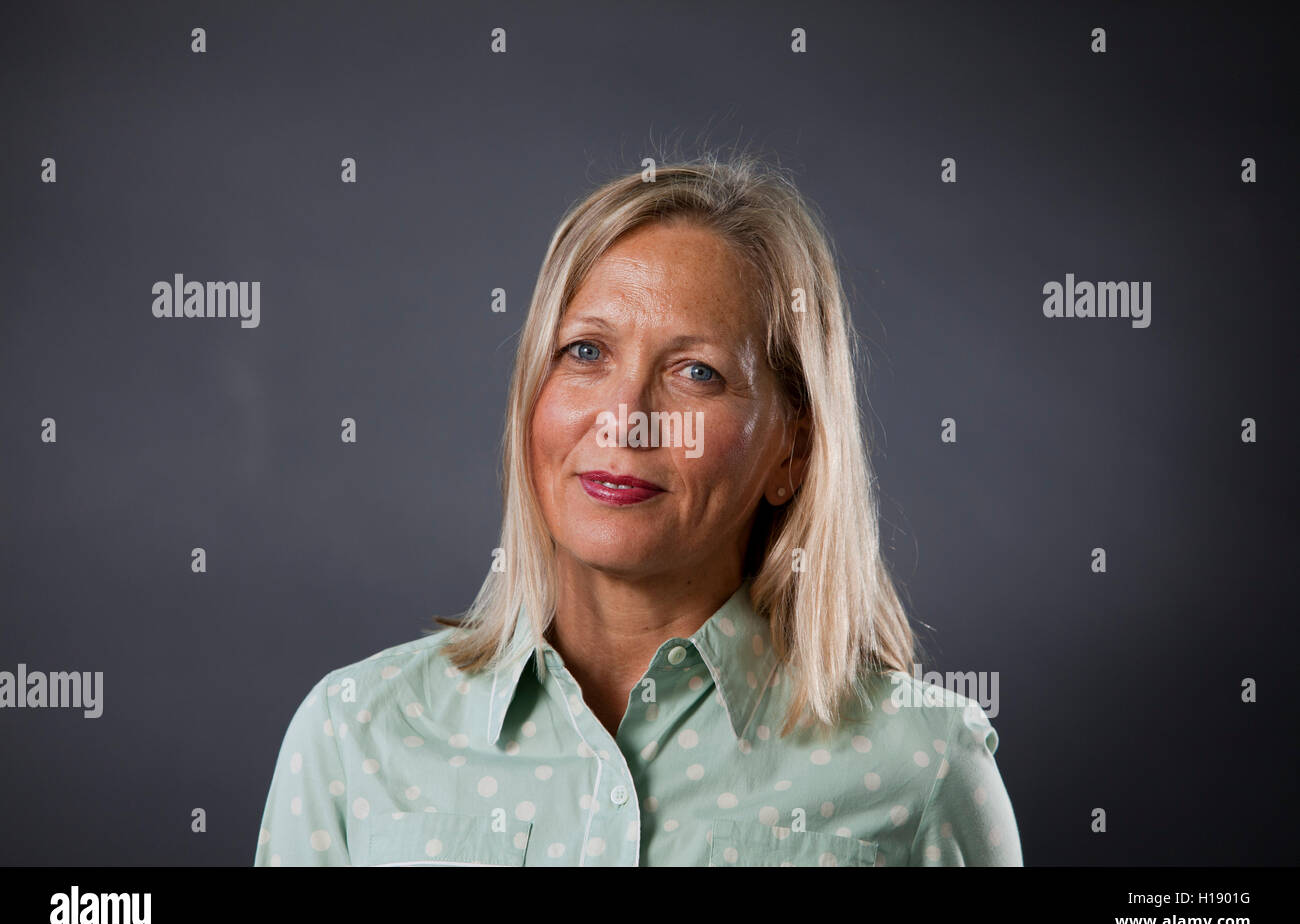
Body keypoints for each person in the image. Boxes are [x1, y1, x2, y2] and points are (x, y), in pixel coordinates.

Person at [253, 154, 1022, 866]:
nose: (627, 418)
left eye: (697, 372)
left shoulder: (923, 768)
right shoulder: (354, 733)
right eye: (585, 352)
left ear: (790, 453)